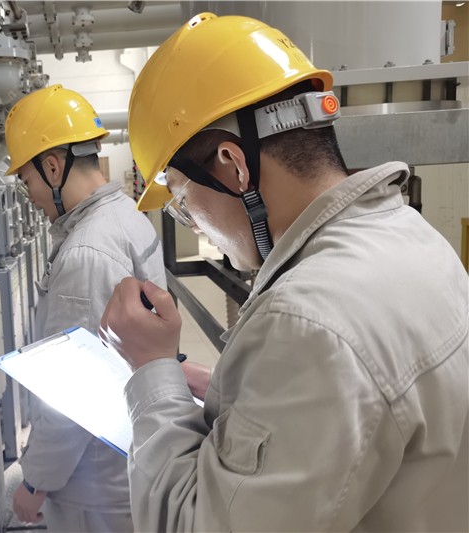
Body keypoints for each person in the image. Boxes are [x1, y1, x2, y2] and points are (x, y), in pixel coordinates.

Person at [99, 12, 469, 532]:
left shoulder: (307, 321)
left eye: (182, 201)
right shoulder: (412, 236)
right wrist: (236, 392)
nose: (195, 224)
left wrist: (151, 370)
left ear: (233, 165)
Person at [4, 84, 166, 532]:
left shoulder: (85, 252)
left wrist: (35, 481)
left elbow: (74, 390)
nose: (30, 196)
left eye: (27, 180)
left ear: (53, 167)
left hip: (95, 482)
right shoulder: (126, 215)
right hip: (132, 449)